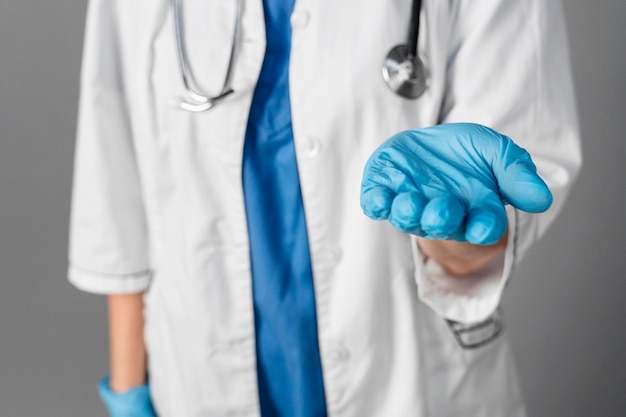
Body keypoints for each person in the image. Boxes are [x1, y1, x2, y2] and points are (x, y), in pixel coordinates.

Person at [68, 0, 581, 416]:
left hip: (408, 378)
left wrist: (455, 226)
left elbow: (487, 200)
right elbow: (115, 168)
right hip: (195, 376)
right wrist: (130, 389)